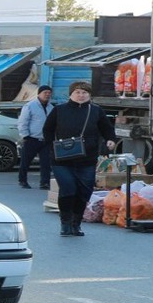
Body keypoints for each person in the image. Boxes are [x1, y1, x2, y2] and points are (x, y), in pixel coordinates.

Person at [45, 81, 119, 237]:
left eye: (84, 92)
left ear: (89, 95)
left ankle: (76, 224)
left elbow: (106, 128)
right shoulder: (59, 110)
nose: (81, 95)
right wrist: (52, 147)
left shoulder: (96, 111)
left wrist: (110, 140)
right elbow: (48, 130)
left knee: (83, 192)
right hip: (62, 160)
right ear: (71, 94)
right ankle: (65, 223)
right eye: (77, 92)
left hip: (87, 159)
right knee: (68, 189)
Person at [16, 85, 54, 190]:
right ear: (39, 94)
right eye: (45, 92)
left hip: (45, 139)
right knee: (26, 161)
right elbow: (23, 121)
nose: (47, 95)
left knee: (46, 163)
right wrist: (25, 135)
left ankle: (44, 183)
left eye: (49, 93)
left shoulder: (51, 107)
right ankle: (22, 180)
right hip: (31, 138)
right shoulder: (30, 106)